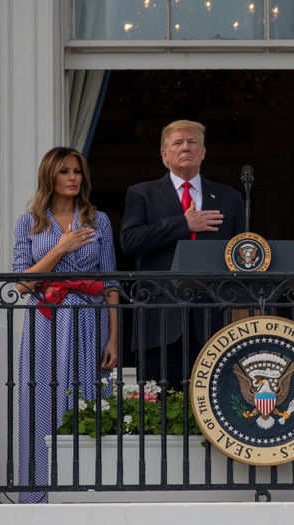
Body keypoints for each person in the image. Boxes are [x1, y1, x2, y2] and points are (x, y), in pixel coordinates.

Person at [13, 147, 118, 503]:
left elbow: (110, 282)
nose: (73, 178)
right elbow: (22, 283)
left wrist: (114, 338)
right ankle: (38, 493)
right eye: (65, 172)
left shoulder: (97, 219)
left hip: (90, 319)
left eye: (77, 171)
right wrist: (60, 248)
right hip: (46, 319)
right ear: (50, 177)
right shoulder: (28, 222)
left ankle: (88, 489)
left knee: (89, 398)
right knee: (43, 397)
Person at [119, 120, 245, 387]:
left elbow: (240, 256)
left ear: (203, 152)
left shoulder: (229, 198)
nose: (185, 147)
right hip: (159, 318)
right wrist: (182, 224)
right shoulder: (142, 194)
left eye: (192, 142)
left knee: (216, 402)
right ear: (165, 155)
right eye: (178, 143)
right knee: (160, 412)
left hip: (213, 319)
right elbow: (129, 241)